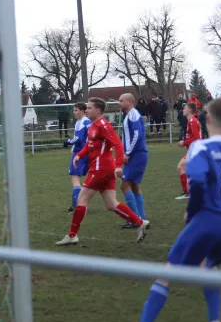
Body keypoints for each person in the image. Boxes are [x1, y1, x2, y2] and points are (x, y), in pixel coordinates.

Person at [126, 98, 221, 322]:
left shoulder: (200, 149)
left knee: (167, 273)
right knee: (209, 266)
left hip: (208, 219)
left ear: (206, 120)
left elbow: (198, 183)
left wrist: (190, 211)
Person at [55, 98, 150, 246]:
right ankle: (140, 222)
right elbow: (89, 145)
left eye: (89, 108)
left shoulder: (104, 125)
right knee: (111, 204)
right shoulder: (93, 125)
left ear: (98, 110)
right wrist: (80, 155)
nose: (86, 110)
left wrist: (119, 165)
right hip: (103, 168)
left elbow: (118, 145)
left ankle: (72, 235)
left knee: (82, 200)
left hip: (100, 168)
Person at [119, 93, 149, 229]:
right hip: (138, 154)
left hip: (136, 155)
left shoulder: (132, 114)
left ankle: (136, 219)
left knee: (124, 185)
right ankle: (141, 218)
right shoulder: (131, 114)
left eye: (121, 101)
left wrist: (128, 153)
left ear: (129, 102)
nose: (119, 103)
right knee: (135, 186)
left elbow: (137, 134)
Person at [64, 102, 91, 213]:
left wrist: (67, 141)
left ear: (83, 111)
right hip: (87, 152)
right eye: (73, 110)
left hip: (81, 153)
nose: (74, 112)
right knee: (87, 180)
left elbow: (78, 139)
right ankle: (81, 203)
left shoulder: (83, 122)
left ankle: (77, 205)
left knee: (75, 178)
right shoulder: (84, 122)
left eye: (76, 110)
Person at [175, 102, 202, 200]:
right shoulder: (191, 121)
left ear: (190, 110)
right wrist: (185, 143)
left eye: (185, 108)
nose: (183, 110)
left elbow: (196, 138)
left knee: (180, 167)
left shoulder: (192, 121)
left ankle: (188, 192)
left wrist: (184, 142)